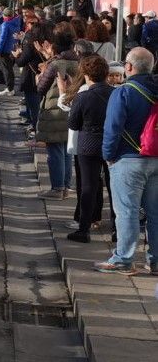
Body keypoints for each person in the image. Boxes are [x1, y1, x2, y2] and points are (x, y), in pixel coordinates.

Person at [96, 48, 158, 273]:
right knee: (155, 212)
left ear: (129, 67)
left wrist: (108, 156)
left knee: (127, 211)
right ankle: (156, 260)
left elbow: (112, 128)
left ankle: (123, 258)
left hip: (129, 158)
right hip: (157, 159)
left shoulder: (124, 92)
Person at [66, 56, 114, 243]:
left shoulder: (83, 96)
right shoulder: (116, 93)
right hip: (112, 143)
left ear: (86, 75)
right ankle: (116, 229)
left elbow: (73, 123)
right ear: (106, 74)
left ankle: (84, 229)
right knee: (113, 188)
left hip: (88, 145)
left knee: (88, 187)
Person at [34, 28, 79, 199]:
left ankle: (57, 188)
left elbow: (41, 88)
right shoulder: (79, 62)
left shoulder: (55, 64)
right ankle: (66, 186)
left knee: (55, 151)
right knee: (67, 150)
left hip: (55, 111)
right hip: (72, 110)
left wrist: (38, 79)